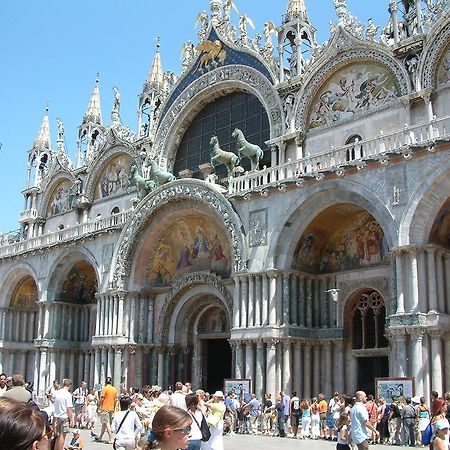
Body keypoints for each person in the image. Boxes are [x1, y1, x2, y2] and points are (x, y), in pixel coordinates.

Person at [53, 378, 74, 450]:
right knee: (62, 436)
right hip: (64, 417)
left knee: (57, 436)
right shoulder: (68, 394)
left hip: (56, 416)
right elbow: (69, 408)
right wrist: (71, 419)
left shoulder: (57, 392)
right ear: (70, 385)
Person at [96, 376, 118, 444]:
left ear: (106, 382)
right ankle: (100, 437)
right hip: (111, 408)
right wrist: (113, 407)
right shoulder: (114, 389)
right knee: (104, 424)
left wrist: (98, 406)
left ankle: (111, 439)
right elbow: (115, 400)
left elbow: (102, 399)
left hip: (105, 408)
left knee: (107, 423)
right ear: (111, 382)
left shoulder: (104, 389)